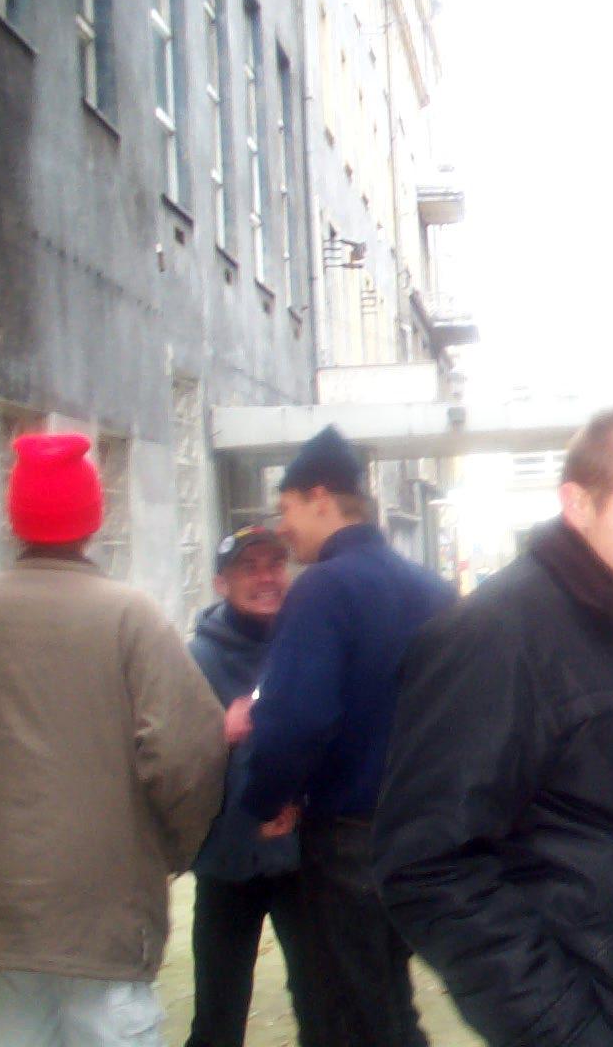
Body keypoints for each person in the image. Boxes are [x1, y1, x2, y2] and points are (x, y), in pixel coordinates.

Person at [373, 404, 613, 1047]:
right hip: (611, 1017)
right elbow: (426, 867)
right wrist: (568, 1030)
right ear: (577, 504)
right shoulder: (494, 637)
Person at [0, 432, 226, 1046]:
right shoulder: (131, 617)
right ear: (92, 519)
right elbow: (188, 752)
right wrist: (169, 849)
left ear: (16, 519)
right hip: (106, 915)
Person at [240, 426, 452, 1047]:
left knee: (350, 1017)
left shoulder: (324, 588)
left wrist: (266, 797)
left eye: (286, 509)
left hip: (349, 844)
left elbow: (295, 719)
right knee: (391, 1006)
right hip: (426, 832)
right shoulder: (433, 590)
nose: (283, 528)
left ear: (320, 498)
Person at [185, 525, 319, 1047]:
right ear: (221, 583)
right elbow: (168, 757)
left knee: (321, 1003)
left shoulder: (311, 644)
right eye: (249, 567)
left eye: (274, 564)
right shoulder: (195, 659)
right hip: (227, 861)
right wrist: (218, 734)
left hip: (303, 861)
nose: (266, 577)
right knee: (217, 1016)